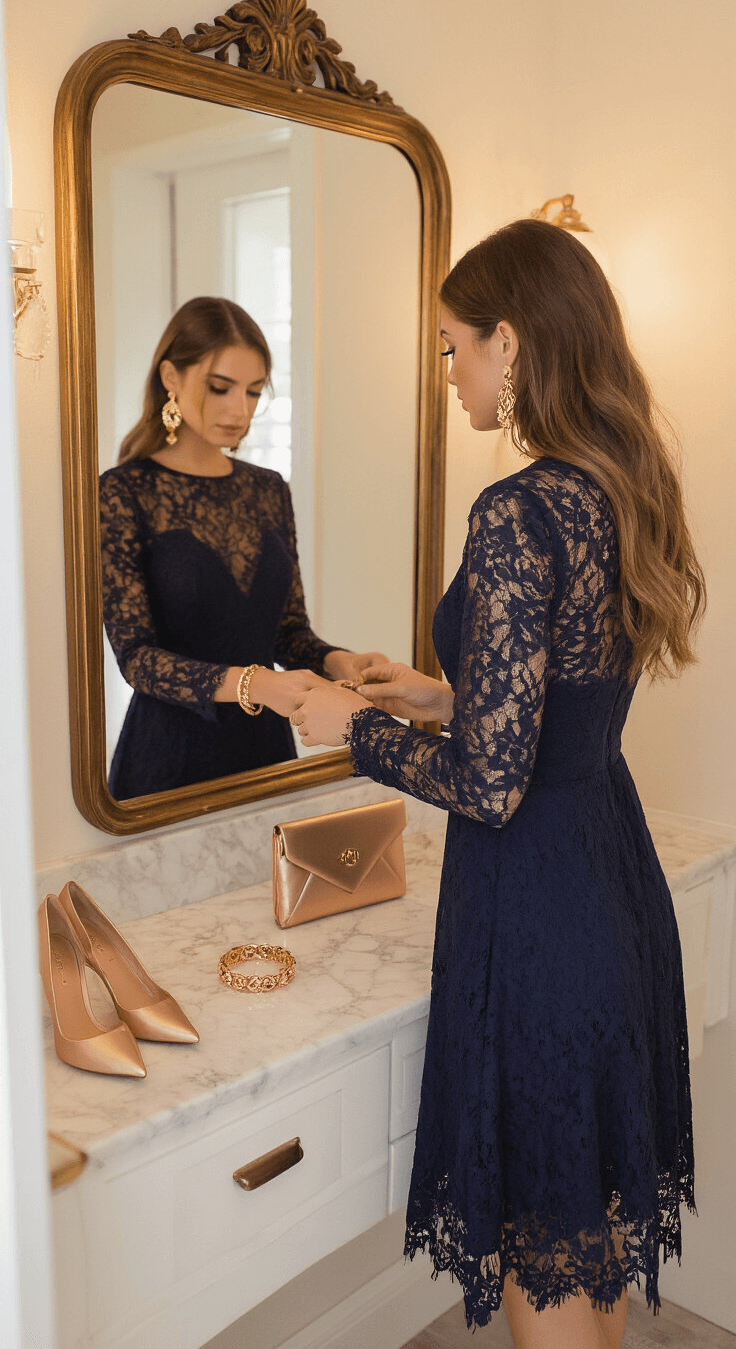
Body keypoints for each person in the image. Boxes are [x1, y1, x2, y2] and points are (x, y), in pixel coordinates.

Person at [289, 219, 704, 1348]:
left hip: (536, 910)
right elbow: (560, 706)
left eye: (451, 346)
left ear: (508, 344)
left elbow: (489, 789)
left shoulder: (517, 509)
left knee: (543, 1251)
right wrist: (429, 691)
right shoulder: (617, 486)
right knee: (588, 1239)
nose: (450, 372)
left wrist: (348, 728)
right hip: (608, 879)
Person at [100, 297, 385, 799]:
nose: (239, 410)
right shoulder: (125, 491)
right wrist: (255, 685)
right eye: (220, 388)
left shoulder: (269, 488)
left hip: (265, 753)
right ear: (171, 376)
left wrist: (337, 660)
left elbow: (288, 633)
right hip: (167, 761)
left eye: (253, 393)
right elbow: (136, 659)